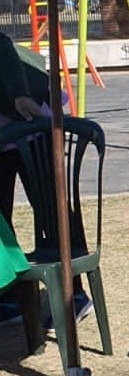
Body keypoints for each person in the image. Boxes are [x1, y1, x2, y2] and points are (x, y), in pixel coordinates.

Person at [0, 32, 91, 329]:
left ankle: (74, 292)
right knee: (1, 218)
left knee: (51, 209)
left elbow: (3, 46)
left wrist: (20, 94)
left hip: (29, 117)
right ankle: (11, 296)